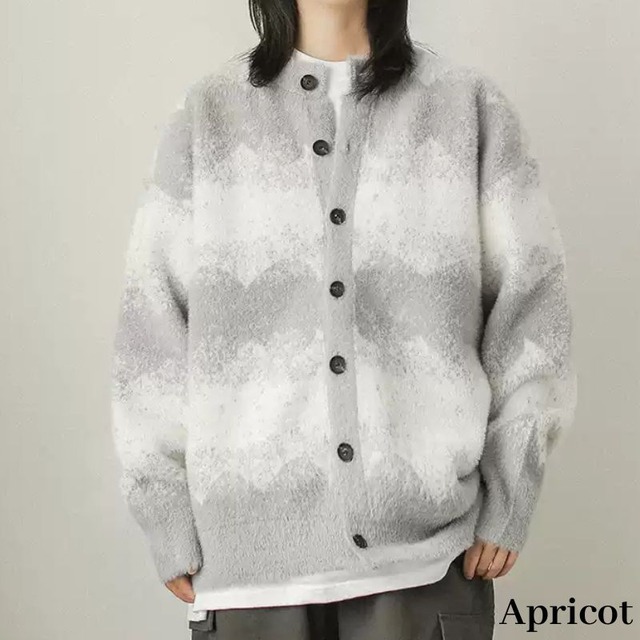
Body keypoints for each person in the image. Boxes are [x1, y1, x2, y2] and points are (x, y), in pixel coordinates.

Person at [109, 0, 578, 638]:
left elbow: (533, 313)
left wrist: (511, 489)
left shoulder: (468, 109)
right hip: (248, 578)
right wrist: (163, 509)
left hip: (427, 567)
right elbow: (151, 334)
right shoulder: (207, 117)